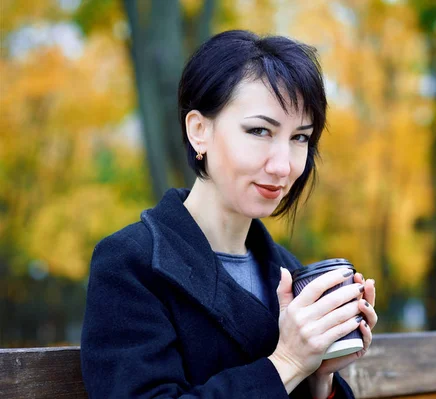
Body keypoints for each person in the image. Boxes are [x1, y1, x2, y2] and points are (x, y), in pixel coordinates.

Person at [81, 29, 378, 399]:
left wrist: (320, 378)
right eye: (259, 131)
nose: (283, 166)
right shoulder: (131, 263)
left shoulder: (286, 271)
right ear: (198, 131)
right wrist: (287, 362)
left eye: (300, 137)